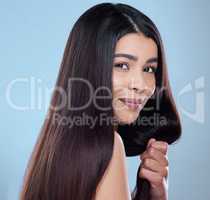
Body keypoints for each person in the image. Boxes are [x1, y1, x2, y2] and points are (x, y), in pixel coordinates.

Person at [20, 3, 182, 200]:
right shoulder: (109, 148)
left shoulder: (51, 147)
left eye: (148, 69)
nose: (140, 84)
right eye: (122, 65)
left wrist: (153, 193)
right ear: (90, 67)